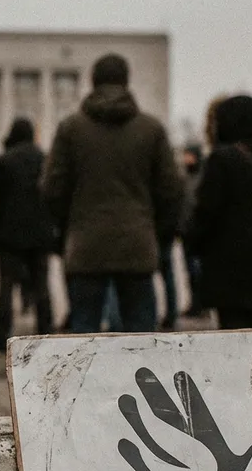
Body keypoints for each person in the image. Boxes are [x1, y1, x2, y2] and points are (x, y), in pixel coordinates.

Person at [42, 53, 183, 334]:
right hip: (137, 242)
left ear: (92, 83)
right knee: (141, 337)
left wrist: (69, 224)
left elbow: (52, 188)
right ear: (126, 81)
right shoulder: (151, 129)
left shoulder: (71, 129)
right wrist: (154, 229)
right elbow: (171, 190)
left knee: (83, 340)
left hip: (85, 243)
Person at [187, 95, 252, 330]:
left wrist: (194, 242)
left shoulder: (221, 159)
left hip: (226, 262)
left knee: (231, 330)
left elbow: (207, 210)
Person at [0, 118, 55, 350]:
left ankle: (1, 335)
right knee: (42, 285)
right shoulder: (44, 159)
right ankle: (46, 330)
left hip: (10, 234)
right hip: (39, 233)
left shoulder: (4, 161)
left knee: (6, 287)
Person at [178, 144, 205, 318]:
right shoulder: (184, 178)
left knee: (198, 270)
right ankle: (195, 303)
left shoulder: (202, 178)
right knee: (189, 269)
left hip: (198, 230)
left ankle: (200, 303)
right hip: (186, 230)